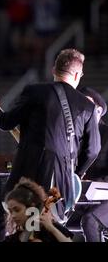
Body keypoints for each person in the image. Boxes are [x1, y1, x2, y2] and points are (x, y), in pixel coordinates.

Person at [0, 48, 101, 241]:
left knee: (1, 217)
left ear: (53, 70)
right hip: (61, 179)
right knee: (47, 224)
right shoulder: (88, 107)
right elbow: (92, 150)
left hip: (27, 170)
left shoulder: (34, 91)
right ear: (77, 74)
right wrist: (75, 174)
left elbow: (6, 123)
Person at [77, 87, 108, 242]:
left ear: (98, 111)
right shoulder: (75, 139)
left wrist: (92, 185)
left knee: (90, 220)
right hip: (84, 200)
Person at [3, 177, 73, 242]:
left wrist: (52, 229)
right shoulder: (13, 238)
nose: (13, 215)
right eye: (10, 211)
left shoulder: (51, 228)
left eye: (17, 210)